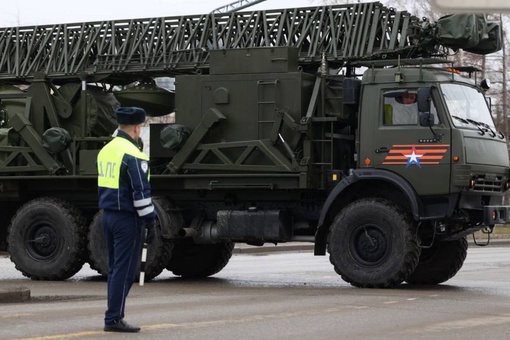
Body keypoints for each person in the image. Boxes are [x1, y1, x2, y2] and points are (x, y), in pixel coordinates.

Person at [97, 106, 156, 333]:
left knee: (115, 269)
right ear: (136, 127)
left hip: (107, 216)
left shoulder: (106, 150)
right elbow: (140, 193)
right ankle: (113, 319)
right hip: (127, 220)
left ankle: (113, 315)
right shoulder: (134, 154)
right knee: (126, 271)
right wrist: (150, 220)